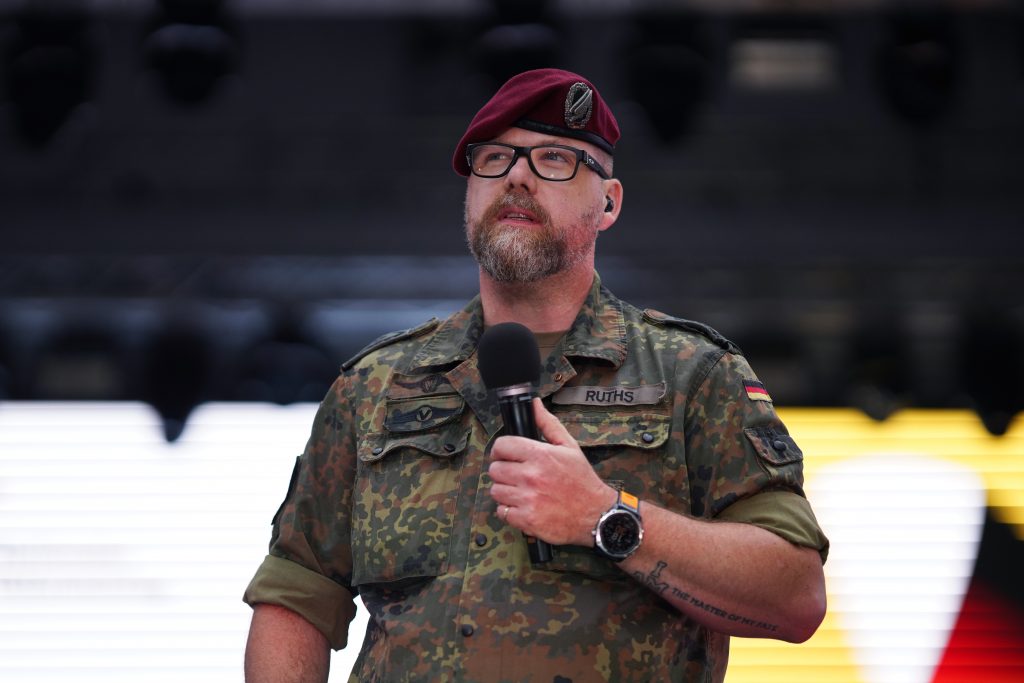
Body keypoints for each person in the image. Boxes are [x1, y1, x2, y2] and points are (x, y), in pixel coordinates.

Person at [243, 68, 829, 683]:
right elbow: (295, 595)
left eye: (554, 159)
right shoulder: (374, 387)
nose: (516, 177)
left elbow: (794, 596)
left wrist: (605, 516)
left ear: (609, 202)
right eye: (493, 159)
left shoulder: (694, 375)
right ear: (470, 194)